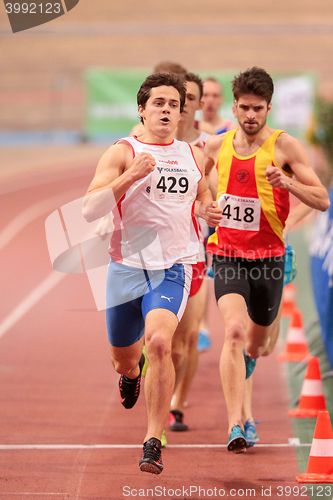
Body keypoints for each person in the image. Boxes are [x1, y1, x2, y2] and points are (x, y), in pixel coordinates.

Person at [83, 72, 221, 473]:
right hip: (127, 269)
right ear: (141, 110)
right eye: (157, 103)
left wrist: (205, 209)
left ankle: (152, 440)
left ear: (181, 113)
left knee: (160, 343)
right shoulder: (121, 152)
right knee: (125, 359)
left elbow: (201, 196)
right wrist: (130, 177)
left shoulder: (194, 156)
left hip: (173, 267)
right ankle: (129, 375)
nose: (165, 110)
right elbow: (89, 209)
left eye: (173, 105)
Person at [204, 66, 330, 453]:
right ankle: (236, 424)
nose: (250, 115)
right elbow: (197, 188)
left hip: (269, 259)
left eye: (258, 108)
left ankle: (250, 365)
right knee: (234, 333)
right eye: (244, 107)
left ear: (269, 108)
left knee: (258, 347)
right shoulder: (215, 146)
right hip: (227, 255)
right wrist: (205, 209)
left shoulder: (285, 147)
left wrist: (287, 183)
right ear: (236, 106)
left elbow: (323, 199)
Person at [169, 72, 211, 431]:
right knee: (155, 341)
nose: (181, 105)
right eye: (176, 98)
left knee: (185, 343)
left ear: (196, 105)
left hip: (195, 256)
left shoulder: (208, 148)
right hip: (149, 256)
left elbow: (215, 196)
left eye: (189, 98)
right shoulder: (143, 144)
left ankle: (178, 402)